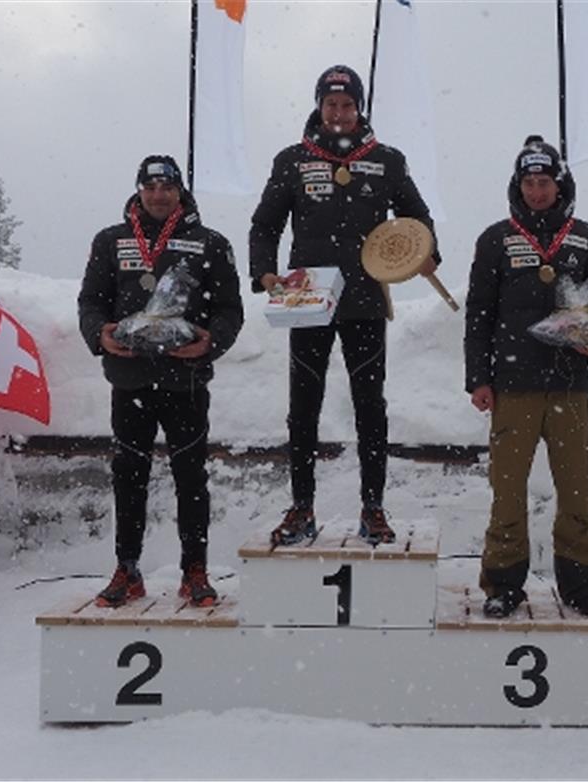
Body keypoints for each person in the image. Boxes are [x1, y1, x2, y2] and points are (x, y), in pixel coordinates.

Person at [249, 65, 442, 547]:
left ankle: (373, 508)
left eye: (348, 104)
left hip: (364, 298)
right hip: (307, 297)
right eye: (331, 104)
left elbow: (418, 217)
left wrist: (425, 252)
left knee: (370, 405)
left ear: (360, 108)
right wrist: (265, 273)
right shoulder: (292, 160)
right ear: (319, 106)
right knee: (303, 406)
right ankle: (301, 507)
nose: (339, 113)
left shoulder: (387, 160)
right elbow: (264, 225)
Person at [78, 155, 244, 608]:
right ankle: (127, 569)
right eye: (150, 187)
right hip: (129, 380)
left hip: (184, 380)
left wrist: (210, 343)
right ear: (138, 190)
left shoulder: (209, 242)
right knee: (128, 476)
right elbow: (91, 302)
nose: (157, 194)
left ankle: (195, 570)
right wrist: (101, 336)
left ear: (179, 191)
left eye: (166, 187)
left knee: (191, 477)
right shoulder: (111, 241)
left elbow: (230, 309)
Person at [464, 135, 588, 619]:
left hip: (570, 385)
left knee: (576, 491)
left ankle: (580, 584)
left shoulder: (585, 237)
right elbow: (478, 316)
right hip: (513, 386)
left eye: (544, 182)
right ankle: (503, 584)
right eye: (529, 183)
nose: (536, 192)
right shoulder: (495, 239)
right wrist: (478, 378)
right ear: (518, 185)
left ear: (559, 184)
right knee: (508, 492)